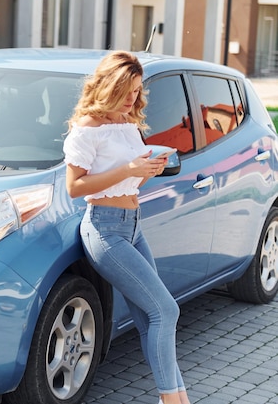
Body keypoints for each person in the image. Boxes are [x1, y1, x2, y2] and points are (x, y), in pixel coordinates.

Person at [63, 51, 191, 404]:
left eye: (137, 91)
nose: (134, 98)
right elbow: (75, 187)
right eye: (128, 90)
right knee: (166, 310)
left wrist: (148, 171)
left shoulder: (127, 121)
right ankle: (172, 400)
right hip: (105, 231)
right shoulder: (86, 128)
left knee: (151, 318)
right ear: (109, 86)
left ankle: (180, 397)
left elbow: (128, 183)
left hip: (133, 225)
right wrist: (130, 170)